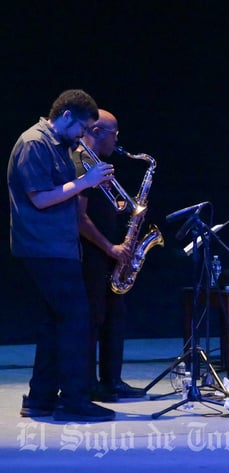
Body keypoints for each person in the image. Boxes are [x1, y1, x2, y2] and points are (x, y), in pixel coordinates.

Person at [8, 89, 117, 421]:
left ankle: (39, 399)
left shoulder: (58, 144)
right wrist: (86, 181)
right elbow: (40, 199)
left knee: (53, 322)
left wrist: (86, 181)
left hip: (58, 246)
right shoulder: (34, 144)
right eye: (82, 128)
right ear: (66, 116)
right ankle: (74, 401)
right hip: (44, 247)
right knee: (75, 320)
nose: (83, 136)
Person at [73, 109, 148, 402]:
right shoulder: (81, 163)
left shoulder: (97, 164)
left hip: (109, 253)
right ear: (97, 131)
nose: (117, 140)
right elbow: (79, 218)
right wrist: (110, 247)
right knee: (93, 319)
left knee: (114, 316)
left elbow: (102, 207)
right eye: (114, 133)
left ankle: (111, 381)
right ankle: (89, 383)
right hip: (92, 254)